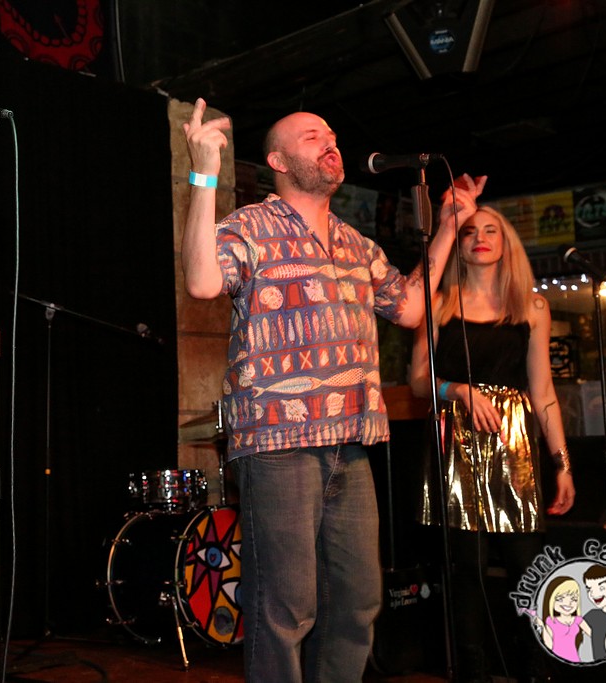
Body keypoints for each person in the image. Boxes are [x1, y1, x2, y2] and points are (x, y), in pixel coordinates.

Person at [182, 97, 483, 682]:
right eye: (312, 136)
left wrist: (448, 227)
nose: (330, 143)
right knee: (286, 608)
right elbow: (200, 280)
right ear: (277, 160)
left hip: (350, 441)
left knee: (357, 603)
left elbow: (410, 308)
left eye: (333, 136)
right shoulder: (251, 226)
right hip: (279, 444)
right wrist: (205, 174)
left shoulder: (354, 243)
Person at [409, 204, 577, 682]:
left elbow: (543, 392)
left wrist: (562, 463)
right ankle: (473, 672)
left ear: (506, 243)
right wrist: (458, 390)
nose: (479, 237)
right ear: (458, 244)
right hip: (457, 445)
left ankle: (537, 670)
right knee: (467, 570)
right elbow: (418, 382)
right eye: (468, 231)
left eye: (490, 230)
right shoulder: (438, 302)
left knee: (530, 567)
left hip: (514, 448)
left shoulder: (532, 307)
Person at [535, 576, 590, 662]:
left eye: (574, 599)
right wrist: (541, 626)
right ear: (551, 600)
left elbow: (594, 635)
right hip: (556, 661)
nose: (568, 603)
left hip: (574, 660)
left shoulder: (578, 620)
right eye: (560, 599)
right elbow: (549, 645)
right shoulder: (551, 621)